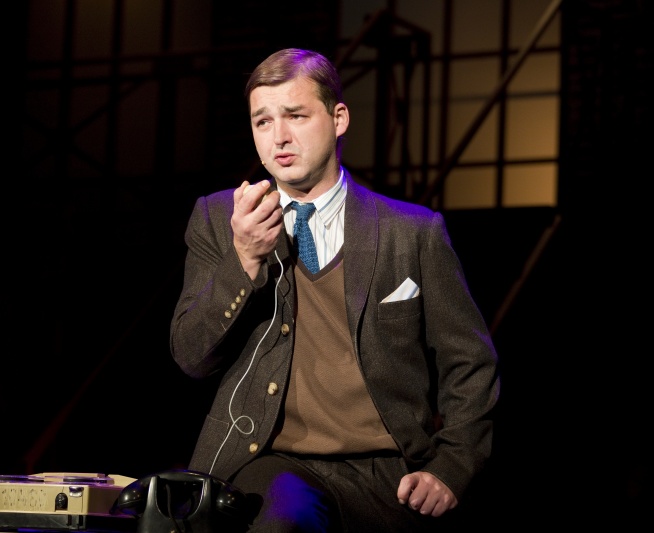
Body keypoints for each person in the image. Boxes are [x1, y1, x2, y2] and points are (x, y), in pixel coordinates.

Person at [169, 47, 500, 532]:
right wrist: (243, 259)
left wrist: (451, 466)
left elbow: (469, 362)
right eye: (263, 121)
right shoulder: (222, 220)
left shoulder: (410, 232)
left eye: (296, 116)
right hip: (276, 463)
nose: (279, 137)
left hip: (390, 471)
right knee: (281, 521)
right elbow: (191, 355)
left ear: (338, 118)